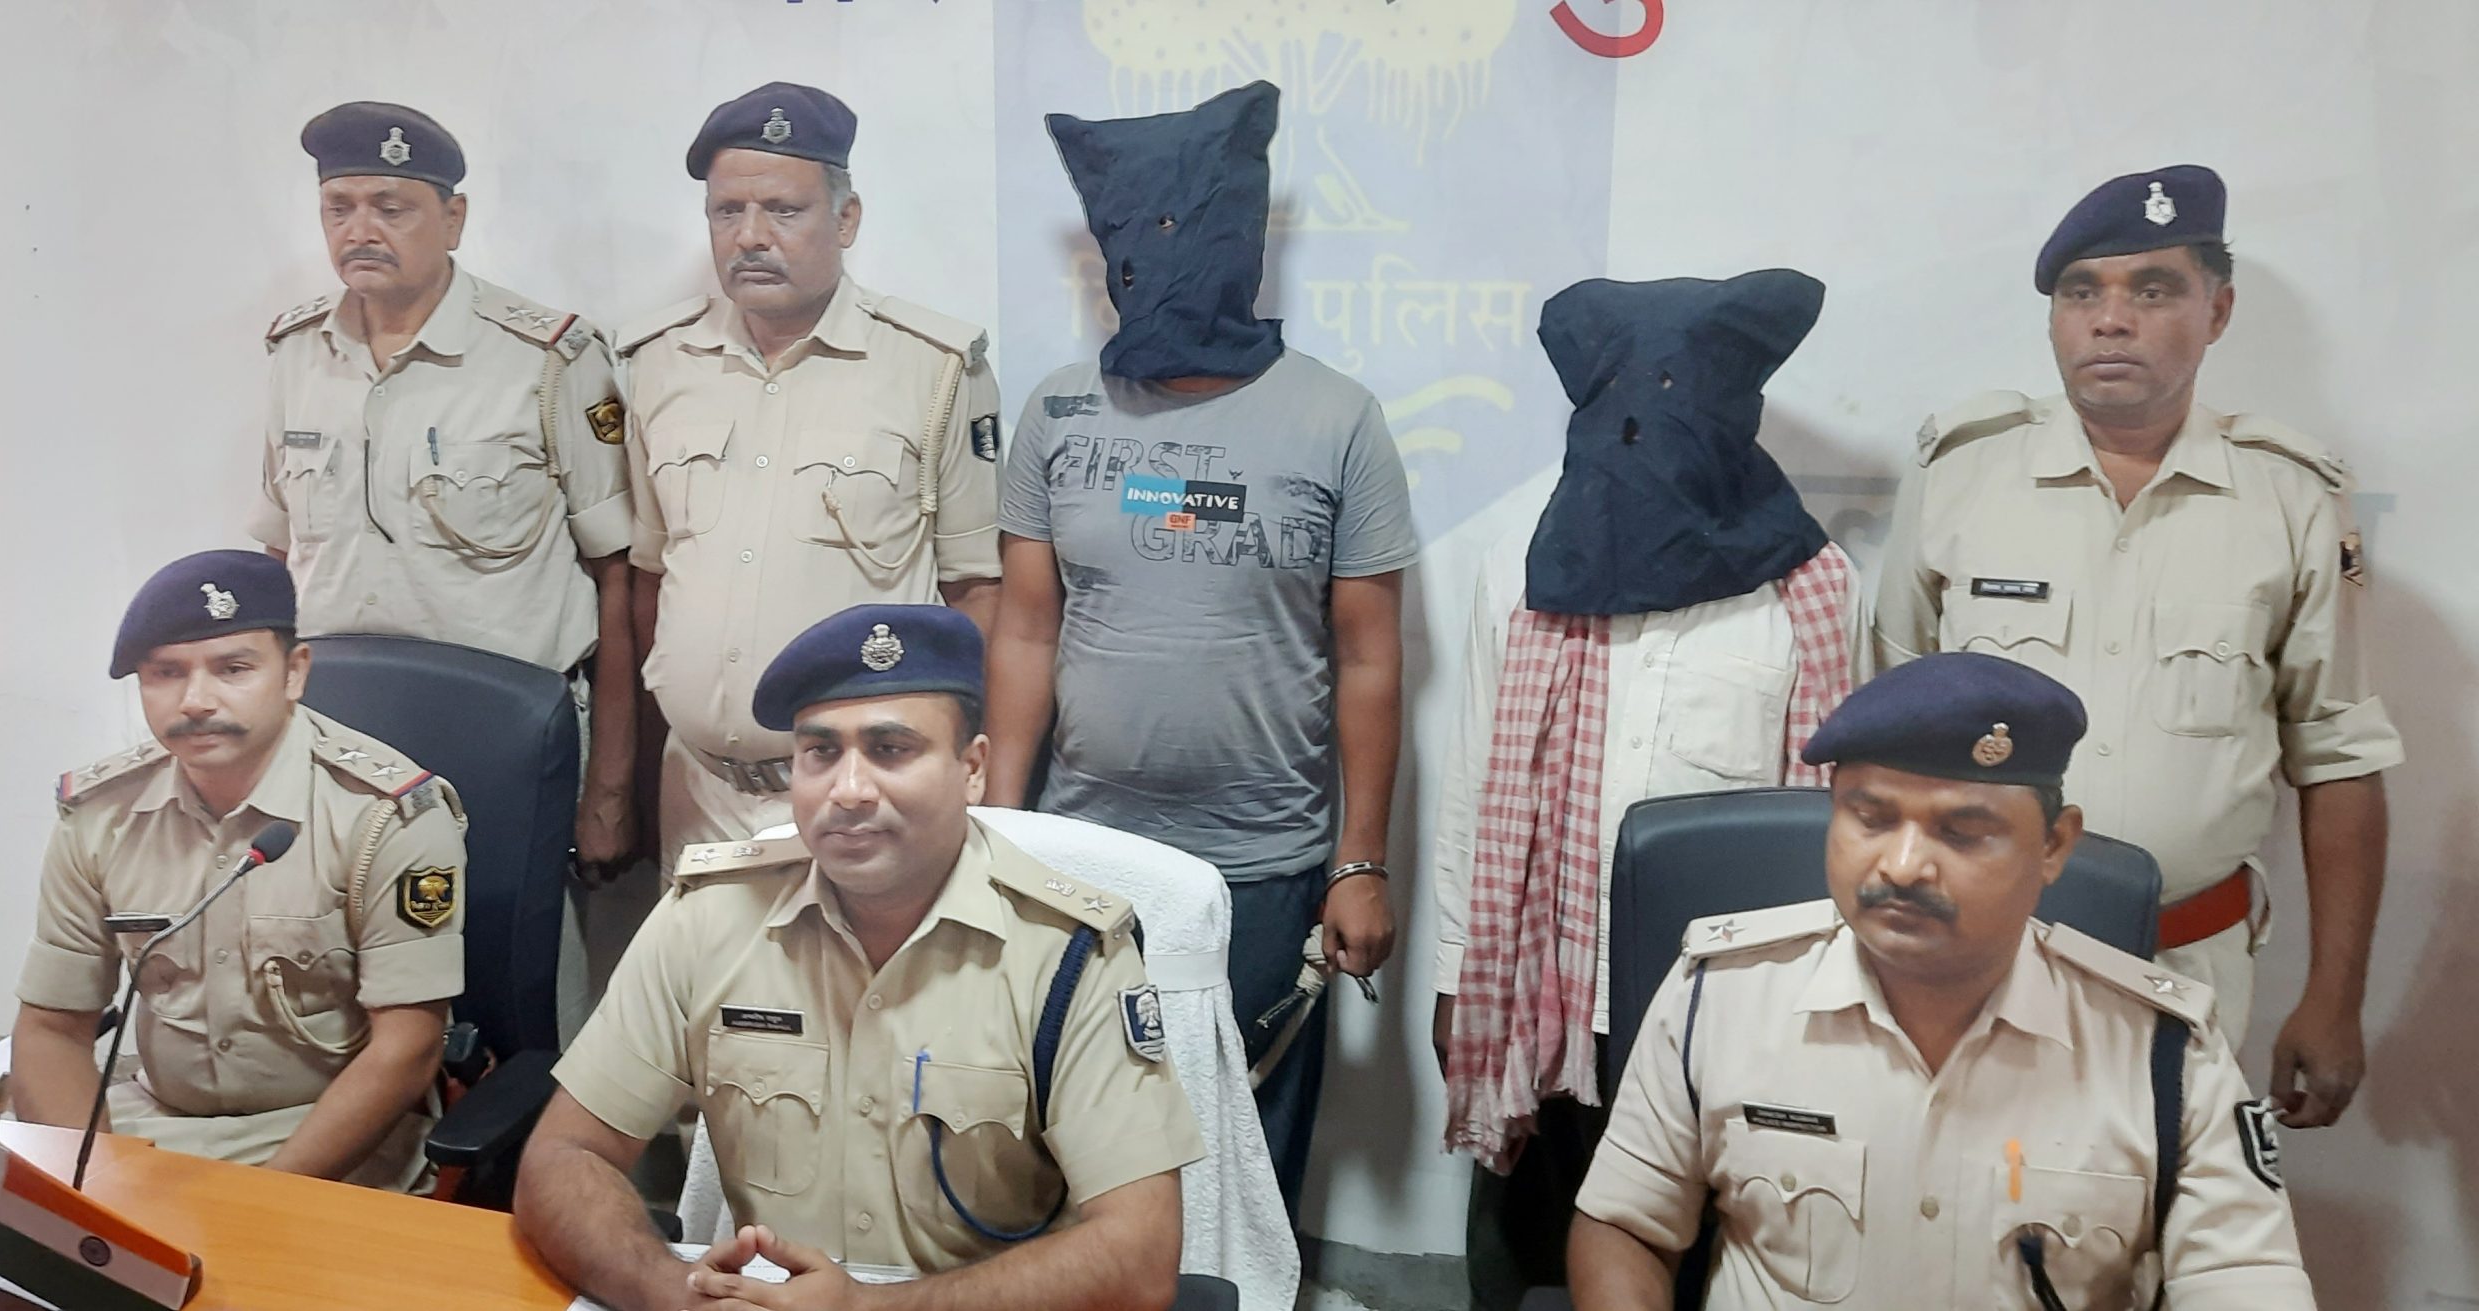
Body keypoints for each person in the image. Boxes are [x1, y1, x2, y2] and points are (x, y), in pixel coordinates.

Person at [1873, 164, 2402, 1128]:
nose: (2111, 321)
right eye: (2083, 293)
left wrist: (2335, 996)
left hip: (2187, 968)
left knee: (2158, 1205)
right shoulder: (1959, 474)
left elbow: (2340, 759)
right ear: (2054, 317)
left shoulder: (2291, 497)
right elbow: (1883, 732)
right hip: (1969, 960)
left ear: (2217, 310)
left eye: (2153, 290)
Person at [1568, 651, 2314, 1309]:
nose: (1901, 866)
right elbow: (1625, 1225)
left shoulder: (2163, 1051)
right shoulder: (1721, 994)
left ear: (2054, 846)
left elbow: (2244, 1278)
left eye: (1961, 831)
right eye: (1870, 818)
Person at [986, 80, 1415, 1220]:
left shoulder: (1338, 418)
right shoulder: (1058, 413)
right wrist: (994, 827)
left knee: (1242, 1162)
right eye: (1139, 233)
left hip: (1261, 869)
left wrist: (1359, 865)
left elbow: (1370, 658)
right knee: (1070, 1145)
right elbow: (1025, 628)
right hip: (1079, 856)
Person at [515, 604, 1200, 1311]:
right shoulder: (710, 918)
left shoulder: (1068, 954)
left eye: (891, 749)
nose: (848, 790)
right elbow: (563, 1156)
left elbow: (1139, 1254)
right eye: (820, 752)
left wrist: (863, 1309)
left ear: (971, 769)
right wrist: (677, 1295)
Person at [1430, 271, 1865, 1307]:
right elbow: (1473, 782)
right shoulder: (1523, 562)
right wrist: (1458, 974)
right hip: (1545, 994)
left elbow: (1835, 816)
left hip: (1726, 1011)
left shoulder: (1809, 590)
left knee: (1708, 1262)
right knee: (1530, 1259)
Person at [250, 101, 638, 874]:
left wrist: (610, 791)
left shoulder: (547, 358)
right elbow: (278, 559)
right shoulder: (298, 353)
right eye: (338, 208)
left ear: (452, 219)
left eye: (390, 207)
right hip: (337, 736)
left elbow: (618, 579)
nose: (361, 230)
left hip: (505, 739)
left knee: (516, 944)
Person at [621, 81, 1003, 865]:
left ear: (846, 218)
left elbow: (975, 595)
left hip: (863, 798)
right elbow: (653, 578)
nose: (750, 236)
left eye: (783, 211)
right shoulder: (657, 362)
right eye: (727, 212)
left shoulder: (932, 369)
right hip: (697, 792)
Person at [9, 550, 467, 1191]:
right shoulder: (99, 815)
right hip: (155, 1127)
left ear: (294, 672)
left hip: (330, 1141)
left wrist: (259, 1203)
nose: (196, 700)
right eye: (166, 673)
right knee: (3, 1237)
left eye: (233, 669)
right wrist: (91, 1187)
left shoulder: (385, 816)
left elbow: (408, 1048)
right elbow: (52, 1028)